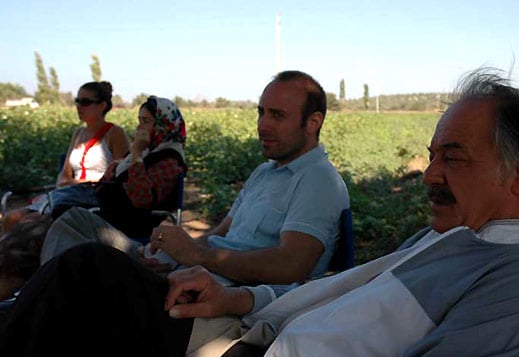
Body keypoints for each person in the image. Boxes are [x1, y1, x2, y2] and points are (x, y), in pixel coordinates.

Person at [0, 68, 519, 357]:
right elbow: (327, 290)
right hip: (249, 333)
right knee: (80, 274)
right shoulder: (449, 240)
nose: (429, 174)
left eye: (454, 157)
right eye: (432, 155)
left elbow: (301, 266)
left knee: (82, 275)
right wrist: (240, 293)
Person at [39, 70, 350, 289]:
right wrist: (177, 251)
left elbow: (291, 266)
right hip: (188, 267)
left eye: (277, 116)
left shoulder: (318, 181)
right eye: (261, 112)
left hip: (208, 288)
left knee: (81, 260)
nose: (263, 125)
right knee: (75, 222)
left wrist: (198, 257)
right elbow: (220, 234)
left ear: (313, 122)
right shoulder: (264, 172)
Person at [0, 96, 186, 301]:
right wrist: (125, 163)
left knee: (31, 241)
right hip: (101, 213)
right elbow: (106, 182)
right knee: (25, 228)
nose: (140, 127)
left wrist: (136, 157)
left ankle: (25, 298)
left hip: (123, 223)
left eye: (146, 121)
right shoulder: (147, 152)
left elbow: (140, 200)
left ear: (163, 125)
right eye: (139, 120)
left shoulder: (169, 160)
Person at [1, 81, 130, 232]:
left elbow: (119, 177)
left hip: (94, 198)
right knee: (11, 218)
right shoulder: (78, 133)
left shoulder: (115, 133)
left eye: (85, 102)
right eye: (77, 101)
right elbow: (65, 172)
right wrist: (64, 182)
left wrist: (76, 182)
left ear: (102, 105)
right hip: (68, 193)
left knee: (30, 224)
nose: (79, 106)